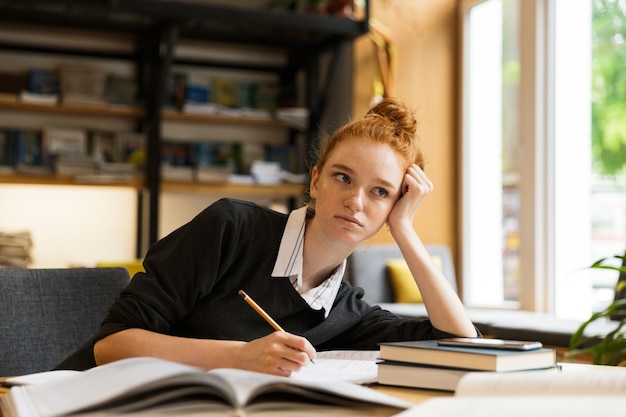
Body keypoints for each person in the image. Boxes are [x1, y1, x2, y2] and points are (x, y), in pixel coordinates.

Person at [57, 97, 478, 376]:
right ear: (315, 181)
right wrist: (241, 356)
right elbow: (111, 345)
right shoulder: (232, 228)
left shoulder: (346, 311)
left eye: (380, 192)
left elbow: (460, 343)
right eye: (343, 178)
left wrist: (404, 229)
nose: (355, 201)